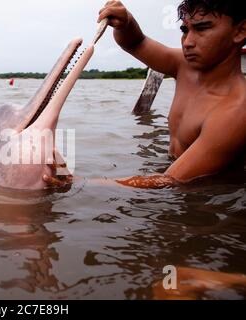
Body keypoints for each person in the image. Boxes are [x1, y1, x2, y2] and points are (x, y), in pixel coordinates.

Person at [44, 0, 246, 189]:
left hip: (207, 198)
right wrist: (126, 23)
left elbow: (169, 181)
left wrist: (81, 183)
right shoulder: (184, 67)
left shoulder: (237, 110)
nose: (188, 42)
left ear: (240, 31)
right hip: (172, 169)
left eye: (202, 28)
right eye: (185, 30)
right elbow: (136, 43)